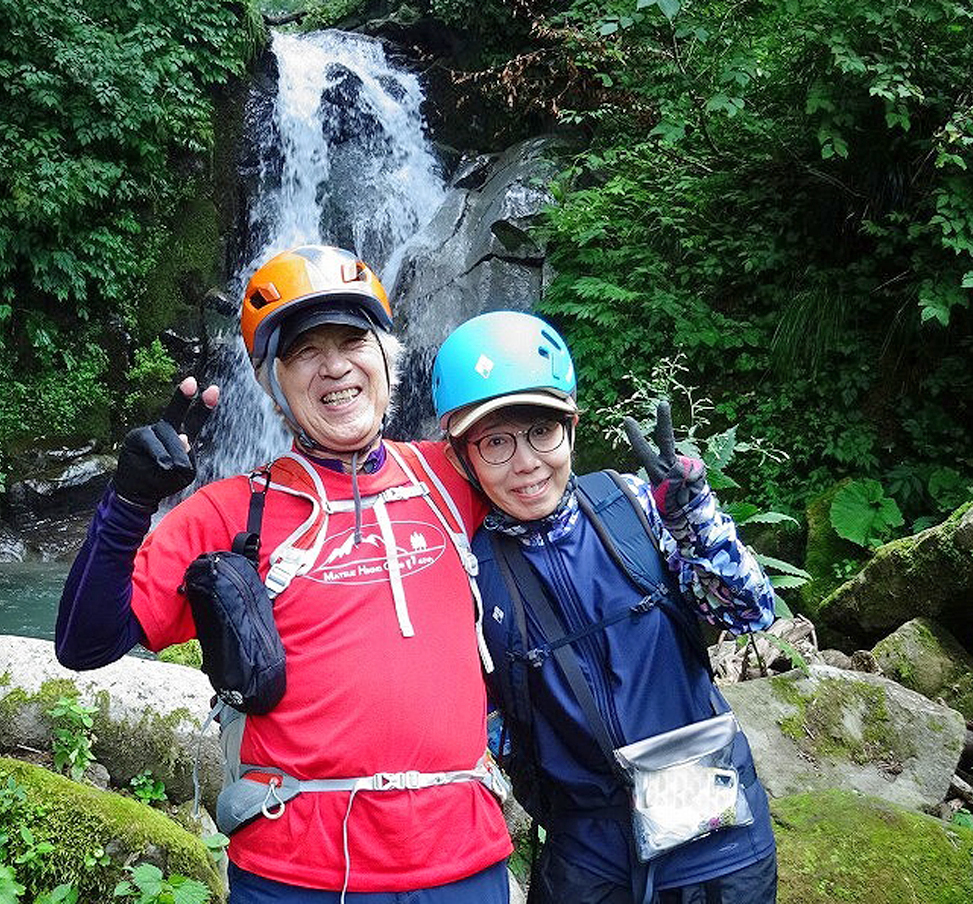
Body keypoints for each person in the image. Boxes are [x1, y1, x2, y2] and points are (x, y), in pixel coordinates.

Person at [56, 245, 512, 903]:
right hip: (295, 876)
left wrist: (663, 509)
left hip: (463, 864)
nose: (335, 366)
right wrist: (127, 504)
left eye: (353, 340)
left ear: (388, 356)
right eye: (303, 351)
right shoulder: (229, 512)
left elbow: (555, 504)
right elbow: (85, 643)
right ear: (272, 385)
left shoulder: (457, 476)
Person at [430, 310, 778, 904]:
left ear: (571, 428)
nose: (526, 462)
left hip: (716, 829)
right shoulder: (468, 571)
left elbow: (748, 612)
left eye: (542, 431)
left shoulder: (634, 508)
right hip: (587, 848)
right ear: (462, 457)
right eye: (495, 442)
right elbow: (478, 716)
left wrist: (694, 520)